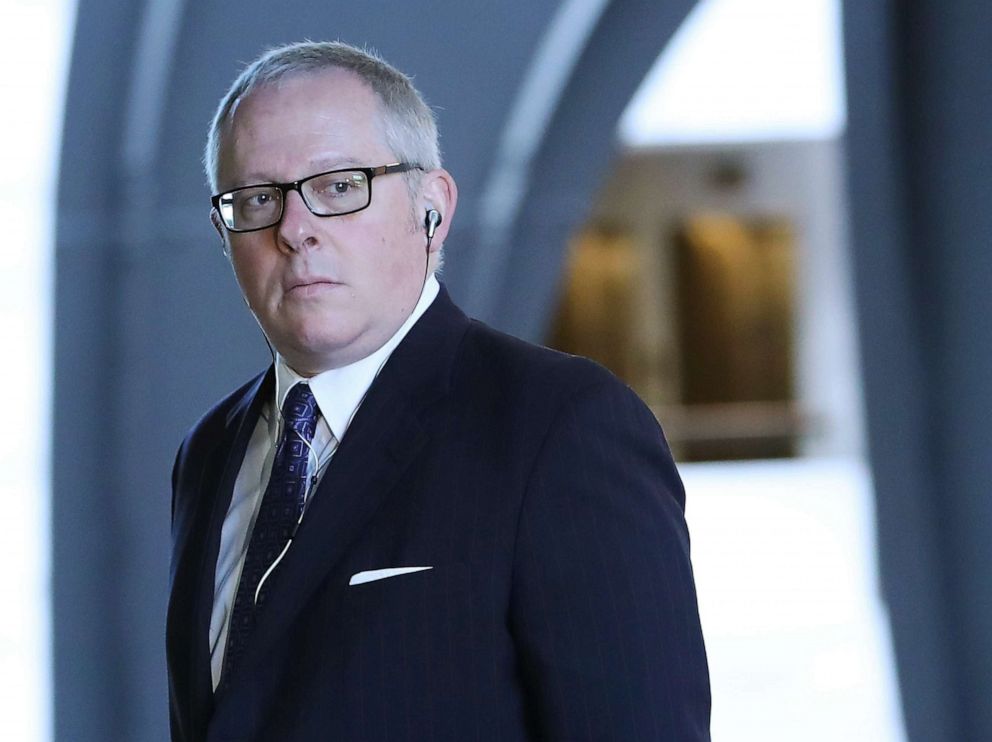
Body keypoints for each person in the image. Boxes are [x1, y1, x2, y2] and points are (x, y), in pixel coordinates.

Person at [167, 40, 710, 741]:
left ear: (432, 208)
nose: (295, 230)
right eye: (258, 198)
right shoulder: (208, 452)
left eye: (339, 186)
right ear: (224, 232)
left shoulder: (561, 427)